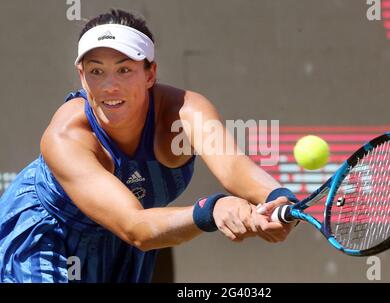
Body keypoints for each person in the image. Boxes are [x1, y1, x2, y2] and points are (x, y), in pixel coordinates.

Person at [0, 9, 298, 283]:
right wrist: (213, 209)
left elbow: (233, 166)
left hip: (125, 244)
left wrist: (277, 198)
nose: (109, 86)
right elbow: (135, 225)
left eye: (124, 70)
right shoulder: (66, 136)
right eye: (96, 71)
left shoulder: (185, 112)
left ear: (150, 74)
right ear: (82, 76)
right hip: (48, 235)